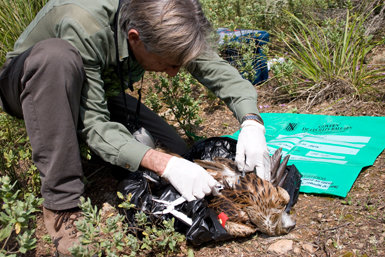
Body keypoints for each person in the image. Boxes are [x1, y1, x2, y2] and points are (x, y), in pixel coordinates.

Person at [0, 0, 269, 254]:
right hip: (35, 81)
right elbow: (95, 124)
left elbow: (215, 69)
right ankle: (61, 204)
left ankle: (95, 160)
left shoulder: (165, 18)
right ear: (134, 38)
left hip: (99, 84)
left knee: (174, 149)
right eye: (168, 63)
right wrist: (162, 164)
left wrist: (251, 121)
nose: (174, 72)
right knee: (56, 58)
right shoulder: (83, 23)